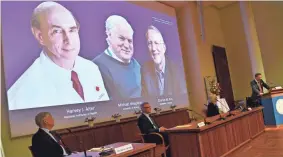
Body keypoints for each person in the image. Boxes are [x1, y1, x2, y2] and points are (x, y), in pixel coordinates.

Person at [8, 2, 109, 110]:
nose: (68, 40)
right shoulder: (22, 95)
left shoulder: (91, 68)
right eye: (57, 31)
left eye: (72, 30)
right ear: (40, 36)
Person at [92, 15, 141, 100]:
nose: (126, 45)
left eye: (129, 41)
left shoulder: (136, 65)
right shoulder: (96, 66)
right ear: (109, 36)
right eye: (121, 39)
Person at [141, 25, 186, 97]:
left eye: (156, 43)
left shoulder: (177, 71)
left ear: (164, 48)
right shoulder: (144, 70)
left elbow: (181, 97)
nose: (153, 48)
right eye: (150, 43)